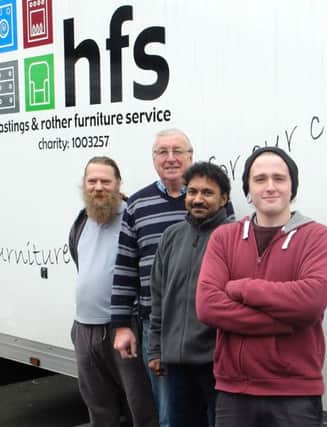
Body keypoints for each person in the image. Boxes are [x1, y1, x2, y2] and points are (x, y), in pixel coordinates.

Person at [196, 147, 327, 427]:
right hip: (234, 391)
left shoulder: (317, 237)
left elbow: (309, 303)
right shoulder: (224, 237)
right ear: (247, 187)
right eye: (260, 179)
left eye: (279, 178)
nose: (270, 187)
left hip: (295, 394)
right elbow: (208, 306)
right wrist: (285, 321)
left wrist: (242, 288)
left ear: (292, 186)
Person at [111, 128, 193, 427]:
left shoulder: (211, 198)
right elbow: (124, 267)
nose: (171, 158)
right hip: (155, 326)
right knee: (168, 410)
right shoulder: (137, 204)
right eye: (162, 152)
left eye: (178, 151)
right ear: (154, 158)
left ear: (190, 156)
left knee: (208, 408)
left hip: (205, 324)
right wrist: (121, 325)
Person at [69, 156, 158, 427]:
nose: (98, 187)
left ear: (118, 183)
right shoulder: (82, 220)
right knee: (99, 408)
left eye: (105, 181)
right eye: (92, 181)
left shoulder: (133, 216)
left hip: (123, 327)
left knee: (140, 407)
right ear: (84, 184)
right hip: (84, 328)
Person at [148, 162, 232, 427]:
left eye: (207, 193)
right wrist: (156, 349)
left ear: (224, 199)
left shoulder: (233, 237)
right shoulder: (171, 236)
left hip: (218, 363)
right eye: (192, 191)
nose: (197, 198)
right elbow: (158, 297)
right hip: (177, 364)